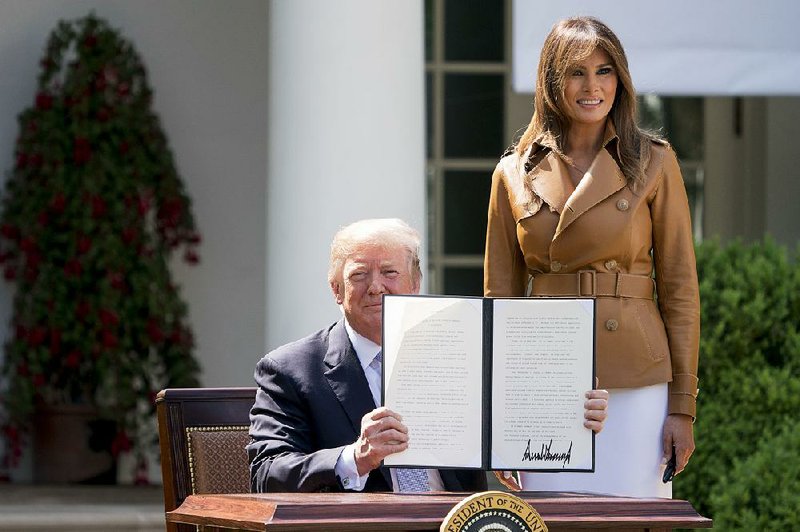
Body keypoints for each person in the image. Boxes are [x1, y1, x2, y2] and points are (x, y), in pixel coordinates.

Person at [484, 17, 699, 498]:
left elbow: (681, 291)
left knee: (632, 521)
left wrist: (682, 406)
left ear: (620, 80)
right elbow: (499, 302)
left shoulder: (654, 162)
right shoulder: (512, 172)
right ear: (551, 80)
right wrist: (500, 416)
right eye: (577, 72)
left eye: (605, 71)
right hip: (546, 372)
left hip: (635, 375)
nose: (593, 87)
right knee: (549, 519)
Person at [248, 218, 609, 492]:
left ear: (415, 283)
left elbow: (509, 437)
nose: (375, 286)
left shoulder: (467, 353)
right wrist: (358, 457)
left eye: (390, 272)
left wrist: (566, 411)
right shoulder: (290, 369)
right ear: (336, 290)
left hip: (460, 523)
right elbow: (266, 474)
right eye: (359, 275)